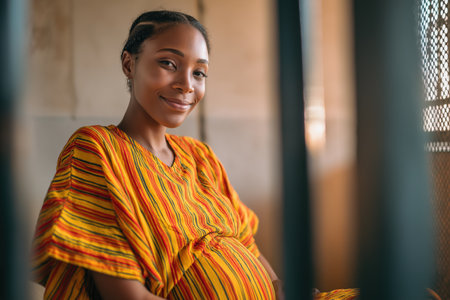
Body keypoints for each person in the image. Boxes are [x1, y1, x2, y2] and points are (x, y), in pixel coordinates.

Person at [31, 10, 284, 300]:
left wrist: (280, 288)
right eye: (168, 63)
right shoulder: (98, 148)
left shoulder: (200, 156)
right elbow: (126, 296)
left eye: (198, 72)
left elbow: (248, 245)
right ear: (129, 64)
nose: (187, 84)